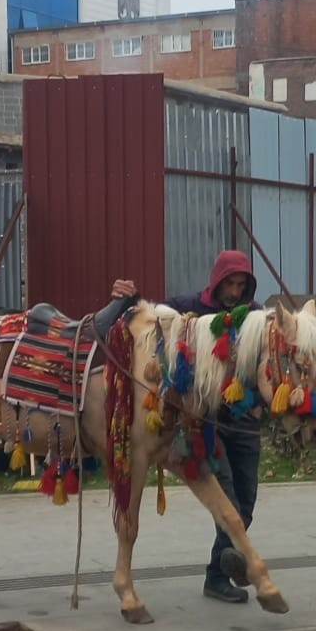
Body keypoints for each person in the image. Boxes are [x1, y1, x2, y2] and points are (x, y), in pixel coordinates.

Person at [111, 250, 261, 604]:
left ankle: (218, 570)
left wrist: (258, 405)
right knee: (226, 495)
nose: (235, 291)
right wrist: (127, 299)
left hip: (243, 421)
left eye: (241, 285)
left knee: (248, 499)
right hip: (203, 425)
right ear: (217, 280)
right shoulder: (188, 307)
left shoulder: (252, 316)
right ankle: (219, 576)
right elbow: (151, 320)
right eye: (230, 283)